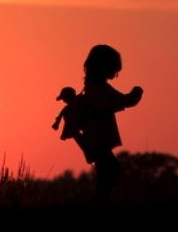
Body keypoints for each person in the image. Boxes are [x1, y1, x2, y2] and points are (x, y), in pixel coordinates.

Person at [53, 44, 143, 203]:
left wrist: (132, 98)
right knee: (110, 171)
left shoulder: (94, 87)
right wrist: (135, 95)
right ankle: (100, 204)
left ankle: (100, 202)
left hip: (97, 137)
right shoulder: (97, 88)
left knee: (108, 171)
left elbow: (118, 100)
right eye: (113, 68)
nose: (115, 73)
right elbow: (117, 101)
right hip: (97, 138)